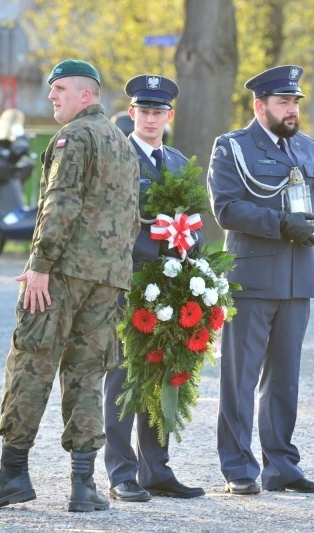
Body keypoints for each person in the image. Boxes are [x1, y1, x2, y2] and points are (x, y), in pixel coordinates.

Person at [0, 59, 140, 513]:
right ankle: (83, 486)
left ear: (86, 95)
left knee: (31, 362)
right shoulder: (122, 142)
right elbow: (131, 217)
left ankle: (12, 475)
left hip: (62, 272)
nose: (51, 95)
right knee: (87, 374)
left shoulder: (74, 137)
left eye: (60, 89)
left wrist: (40, 265)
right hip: (107, 278)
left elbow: (60, 204)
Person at [207, 65, 314, 495]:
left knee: (284, 380)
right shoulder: (233, 147)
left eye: (295, 102)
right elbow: (226, 208)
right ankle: (238, 468)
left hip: (299, 279)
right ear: (259, 105)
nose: (291, 110)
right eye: (283, 102)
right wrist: (280, 224)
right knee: (240, 378)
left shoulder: (307, 148)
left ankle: (281, 465)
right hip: (253, 277)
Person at [103, 74, 205, 502]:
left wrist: (195, 258)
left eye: (157, 112)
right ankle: (121, 472)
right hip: (130, 280)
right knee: (124, 377)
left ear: (169, 116)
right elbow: (107, 219)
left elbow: (194, 217)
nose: (150, 118)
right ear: (131, 114)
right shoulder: (118, 156)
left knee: (164, 374)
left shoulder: (178, 162)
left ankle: (156, 469)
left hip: (173, 284)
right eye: (143, 111)